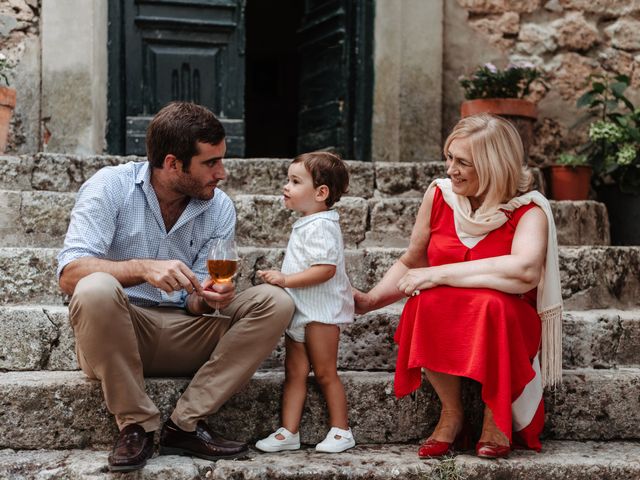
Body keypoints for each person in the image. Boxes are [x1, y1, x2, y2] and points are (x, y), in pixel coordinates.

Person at [57, 102, 295, 472]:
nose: (223, 173)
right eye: (210, 162)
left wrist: (208, 298)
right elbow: (70, 274)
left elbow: (193, 301)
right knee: (93, 288)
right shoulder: (110, 187)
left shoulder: (218, 207)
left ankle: (184, 424)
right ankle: (136, 424)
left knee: (275, 301)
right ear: (172, 163)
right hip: (120, 332)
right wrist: (141, 269)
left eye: (221, 160)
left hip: (186, 331)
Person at [353, 114, 562, 459]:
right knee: (422, 302)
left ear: (493, 166)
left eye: (462, 162)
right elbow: (414, 261)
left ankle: (497, 417)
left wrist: (439, 275)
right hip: (452, 311)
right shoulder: (440, 196)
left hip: (507, 319)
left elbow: (525, 271)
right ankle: (452, 412)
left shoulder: (528, 210)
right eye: (449, 158)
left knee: (490, 304)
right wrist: (370, 300)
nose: (450, 170)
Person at [254, 152, 356, 454]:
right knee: (294, 373)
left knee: (325, 372)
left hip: (320, 313)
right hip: (300, 310)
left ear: (321, 193)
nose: (286, 186)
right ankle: (289, 430)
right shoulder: (308, 222)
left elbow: (326, 269)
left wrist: (285, 280)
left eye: (295, 182)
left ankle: (341, 429)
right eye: (288, 180)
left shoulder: (322, 225)